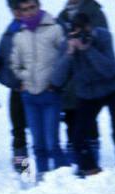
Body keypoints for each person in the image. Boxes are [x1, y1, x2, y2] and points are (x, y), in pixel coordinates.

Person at [51, 11, 115, 174]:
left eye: (83, 30)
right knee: (78, 136)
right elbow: (57, 80)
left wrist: (88, 49)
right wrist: (69, 55)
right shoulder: (68, 45)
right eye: (76, 31)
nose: (81, 34)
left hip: (112, 87)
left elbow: (110, 70)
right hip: (88, 92)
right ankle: (91, 170)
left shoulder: (104, 37)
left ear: (90, 27)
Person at [10, 0, 68, 180]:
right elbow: (14, 64)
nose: (29, 12)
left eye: (32, 8)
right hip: (29, 96)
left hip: (50, 93)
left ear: (39, 6)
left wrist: (56, 81)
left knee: (52, 142)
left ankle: (60, 178)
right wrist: (24, 78)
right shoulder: (18, 35)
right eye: (24, 9)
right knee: (36, 143)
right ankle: (40, 178)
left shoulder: (54, 29)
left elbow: (66, 57)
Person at [0, 10, 31, 174]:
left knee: (43, 133)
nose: (19, 11)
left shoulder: (42, 27)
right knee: (18, 133)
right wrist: (14, 83)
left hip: (40, 88)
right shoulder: (7, 35)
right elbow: (1, 67)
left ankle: (50, 175)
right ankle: (23, 171)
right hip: (17, 91)